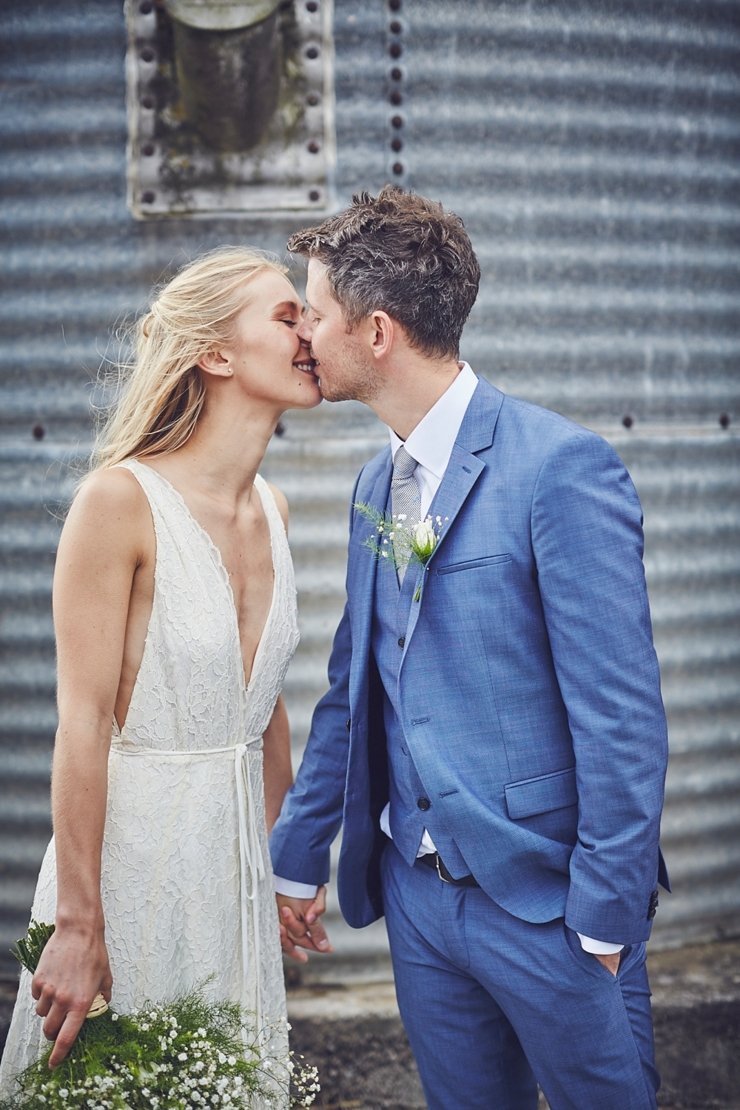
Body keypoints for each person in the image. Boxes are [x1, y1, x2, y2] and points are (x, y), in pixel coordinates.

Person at [269, 186, 670, 1109]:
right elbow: (354, 689)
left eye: (316, 314)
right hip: (418, 905)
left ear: (377, 331)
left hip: (549, 907)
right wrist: (299, 852)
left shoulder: (558, 467)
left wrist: (604, 921)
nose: (304, 336)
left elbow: (622, 716)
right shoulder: (375, 483)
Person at [0, 246, 321, 1100]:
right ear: (215, 354)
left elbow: (261, 705)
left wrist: (284, 862)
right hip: (132, 867)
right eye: (286, 316)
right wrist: (77, 924)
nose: (311, 332)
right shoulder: (119, 503)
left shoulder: (274, 509)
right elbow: (82, 723)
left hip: (233, 871)